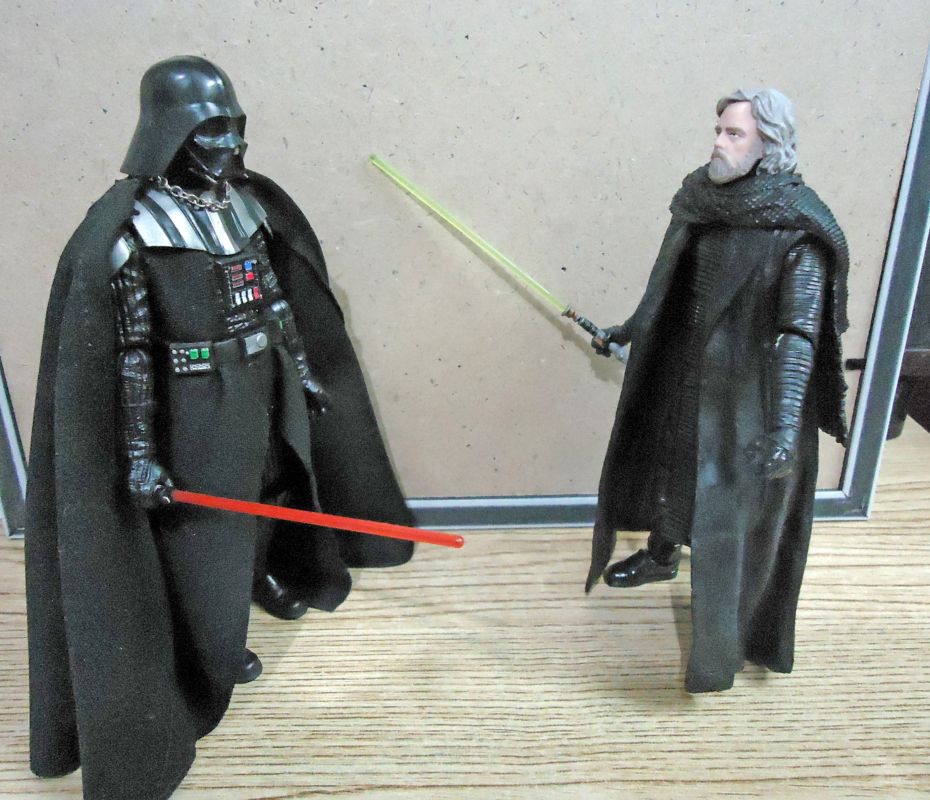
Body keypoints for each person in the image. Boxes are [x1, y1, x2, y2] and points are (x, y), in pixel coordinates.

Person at [25, 56, 414, 799]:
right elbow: (131, 356)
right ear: (173, 134)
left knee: (273, 487)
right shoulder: (133, 233)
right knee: (206, 528)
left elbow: (274, 300)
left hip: (262, 379)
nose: (232, 144)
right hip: (195, 401)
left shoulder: (243, 208)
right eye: (213, 131)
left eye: (236, 127)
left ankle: (262, 575)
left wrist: (303, 371)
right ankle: (212, 640)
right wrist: (141, 453)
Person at [587, 88, 849, 693]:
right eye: (719, 130)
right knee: (670, 464)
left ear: (768, 146)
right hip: (682, 368)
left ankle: (729, 636)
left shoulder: (798, 228)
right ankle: (661, 554)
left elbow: (798, 336)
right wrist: (630, 329)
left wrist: (784, 427)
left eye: (734, 134)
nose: (719, 142)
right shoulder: (701, 202)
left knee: (727, 504)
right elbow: (668, 285)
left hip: (745, 397)